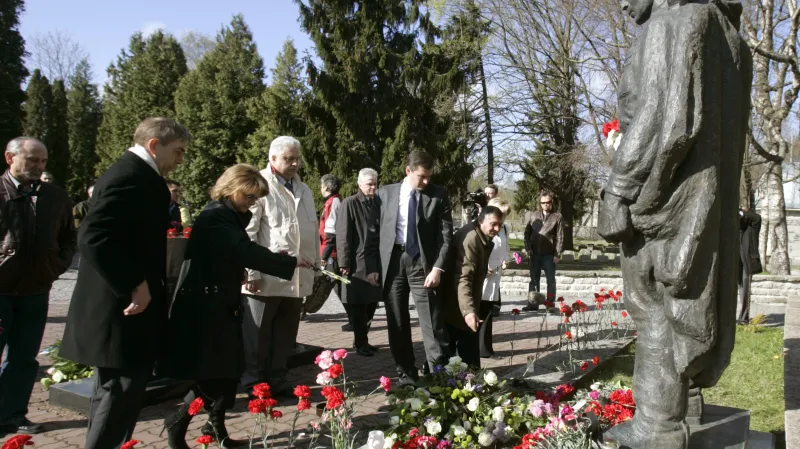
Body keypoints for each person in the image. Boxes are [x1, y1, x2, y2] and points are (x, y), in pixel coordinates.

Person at [597, 0, 751, 447]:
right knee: (692, 301)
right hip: (707, 202)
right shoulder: (732, 40)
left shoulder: (674, 23)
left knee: (655, 309)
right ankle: (689, 402)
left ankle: (659, 426)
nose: (625, 3)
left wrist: (619, 189)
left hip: (667, 199)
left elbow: (666, 120)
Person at [60, 117, 191, 449]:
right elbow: (92, 237)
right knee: (120, 391)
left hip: (126, 307)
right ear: (153, 145)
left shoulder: (138, 175)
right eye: (177, 151)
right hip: (120, 309)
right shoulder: (129, 176)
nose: (180, 160)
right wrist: (136, 282)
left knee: (114, 393)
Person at [161, 164, 310, 449]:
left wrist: (240, 268)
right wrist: (287, 262)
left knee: (227, 370)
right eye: (250, 197)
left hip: (222, 301)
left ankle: (215, 427)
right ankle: (179, 419)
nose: (253, 203)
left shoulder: (228, 215)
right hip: (205, 306)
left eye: (256, 198)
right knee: (214, 370)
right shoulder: (216, 216)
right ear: (233, 189)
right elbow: (243, 250)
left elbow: (231, 253)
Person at [0, 137, 76, 437]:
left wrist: (54, 267)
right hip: (1, 291)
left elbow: (69, 239)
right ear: (10, 158)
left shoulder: (56, 197)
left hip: (36, 291)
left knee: (23, 358)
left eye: (43, 161)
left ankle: (13, 415)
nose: (38, 166)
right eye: (32, 160)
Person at [365, 149, 453, 386]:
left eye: (429, 177)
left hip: (423, 265)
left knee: (432, 323)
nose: (426, 181)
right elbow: (372, 234)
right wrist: (372, 266)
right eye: (421, 176)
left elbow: (445, 237)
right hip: (393, 262)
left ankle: (439, 374)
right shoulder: (384, 194)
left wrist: (437, 268)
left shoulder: (438, 195)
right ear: (408, 171)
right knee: (397, 321)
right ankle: (406, 375)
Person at [241, 136, 319, 395]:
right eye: (289, 158)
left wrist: (315, 266)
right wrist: (250, 271)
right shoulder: (259, 186)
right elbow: (248, 233)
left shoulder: (304, 189)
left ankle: (278, 377)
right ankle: (254, 382)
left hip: (297, 275)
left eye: (297, 158)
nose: (295, 163)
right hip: (266, 275)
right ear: (272, 158)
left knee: (285, 334)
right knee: (258, 334)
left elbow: (310, 230)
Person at [442, 206, 503, 368]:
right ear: (481, 220)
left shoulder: (480, 236)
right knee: (460, 358)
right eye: (493, 224)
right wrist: (468, 311)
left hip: (463, 303)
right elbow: (463, 277)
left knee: (467, 357)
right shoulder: (471, 239)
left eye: (500, 225)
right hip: (456, 304)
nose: (496, 229)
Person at [337, 168, 381, 356]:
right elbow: (343, 235)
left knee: (372, 302)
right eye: (369, 183)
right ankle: (360, 342)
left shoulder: (378, 202)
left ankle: (362, 340)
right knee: (358, 305)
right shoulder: (350, 203)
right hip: (356, 263)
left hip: (375, 261)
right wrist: (344, 262)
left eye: (375, 183)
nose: (372, 187)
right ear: (360, 184)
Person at [480, 198, 511, 358]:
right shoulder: (484, 227)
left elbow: (505, 246)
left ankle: (486, 348)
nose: (502, 220)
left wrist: (506, 259)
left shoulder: (504, 228)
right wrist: (483, 266)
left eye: (504, 216)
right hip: (484, 273)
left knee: (488, 311)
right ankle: (482, 348)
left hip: (495, 273)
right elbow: (478, 248)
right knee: (481, 310)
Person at [523, 192, 563, 311]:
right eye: (543, 202)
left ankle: (550, 305)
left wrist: (557, 254)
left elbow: (560, 237)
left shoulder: (557, 216)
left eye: (548, 202)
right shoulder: (533, 215)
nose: (546, 205)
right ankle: (533, 304)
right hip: (534, 254)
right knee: (534, 280)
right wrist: (528, 248)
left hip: (549, 255)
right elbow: (527, 233)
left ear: (552, 202)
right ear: (540, 203)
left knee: (550, 281)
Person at [738, 206, 762, 324]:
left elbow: (757, 217)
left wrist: (742, 211)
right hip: (737, 262)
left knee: (745, 290)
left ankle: (744, 318)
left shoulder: (753, 227)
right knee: (740, 290)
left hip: (747, 263)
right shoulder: (738, 228)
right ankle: (741, 317)